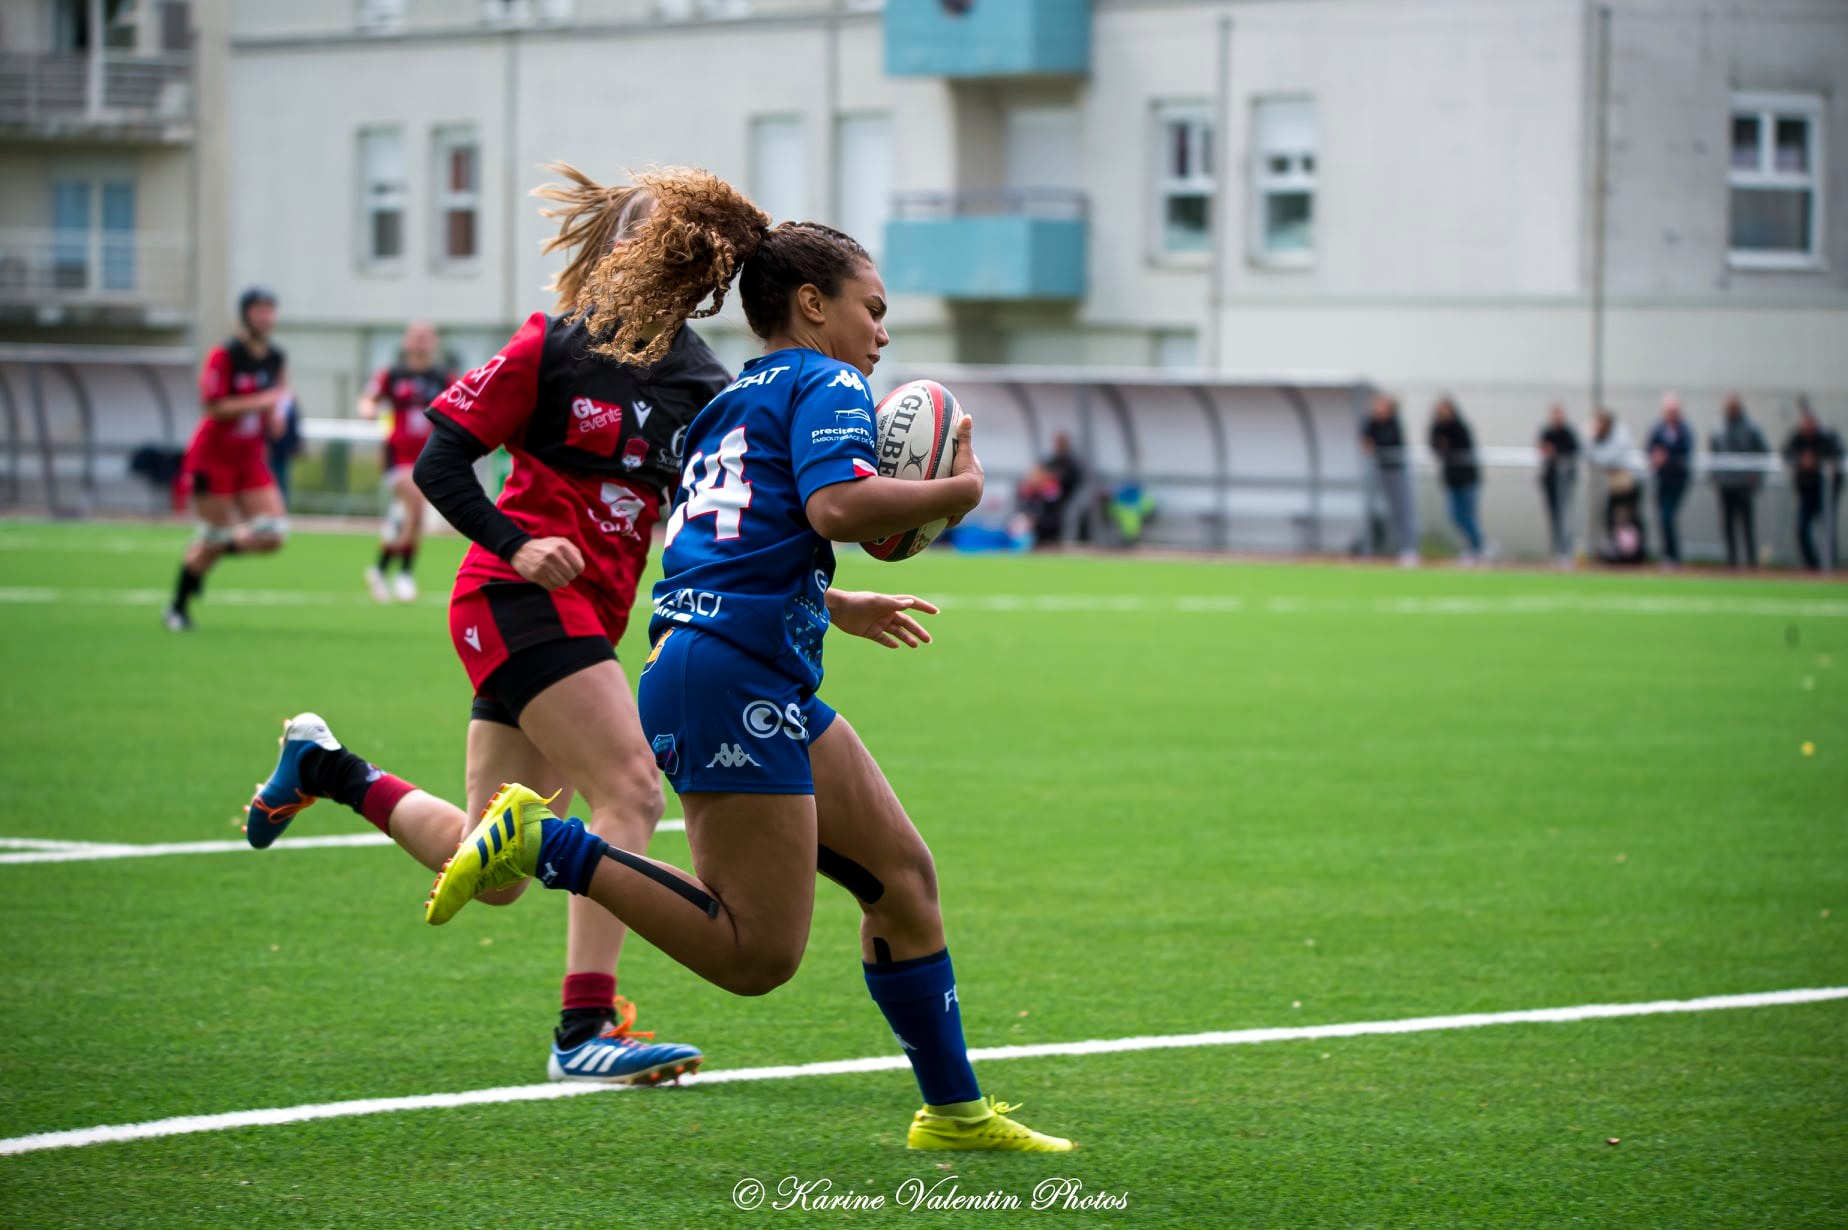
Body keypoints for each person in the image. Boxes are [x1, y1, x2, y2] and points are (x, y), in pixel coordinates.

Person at [420, 170, 1075, 1151]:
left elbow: (735, 536)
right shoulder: (824, 381)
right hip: (723, 671)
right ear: (812, 304)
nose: (882, 333)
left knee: (903, 876)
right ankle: (549, 848)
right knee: (755, 955)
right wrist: (960, 494)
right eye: (873, 309)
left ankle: (955, 1114)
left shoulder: (725, 397)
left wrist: (831, 602)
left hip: (732, 660)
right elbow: (837, 508)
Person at [246, 165, 730, 1085]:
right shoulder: (553, 348)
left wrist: (821, 595)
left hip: (583, 622)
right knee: (632, 791)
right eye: (648, 240)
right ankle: (584, 1028)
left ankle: (327, 769)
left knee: (498, 874)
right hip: (514, 597)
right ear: (618, 251)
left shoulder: (704, 383)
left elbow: (714, 523)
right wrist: (519, 544)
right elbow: (439, 463)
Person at [165, 286, 291, 632]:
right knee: (217, 535)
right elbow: (214, 406)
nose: (265, 317)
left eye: (270, 310)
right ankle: (177, 607)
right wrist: (261, 402)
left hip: (249, 458)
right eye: (259, 310)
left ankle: (210, 547)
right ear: (245, 315)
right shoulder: (225, 355)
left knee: (272, 534)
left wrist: (276, 417)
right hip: (212, 458)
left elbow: (279, 396)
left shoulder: (276, 357)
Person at [358, 322, 457, 602]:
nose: (421, 341)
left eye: (426, 337)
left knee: (407, 517)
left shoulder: (443, 377)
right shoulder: (392, 374)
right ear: (406, 342)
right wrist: (368, 410)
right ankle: (404, 574)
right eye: (416, 336)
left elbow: (464, 403)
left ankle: (381, 568)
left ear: (435, 342)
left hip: (428, 457)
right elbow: (367, 398)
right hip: (397, 456)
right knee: (415, 507)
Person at [1709, 394, 1769, 569]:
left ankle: (1751, 562)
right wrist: (1715, 478)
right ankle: (1731, 562)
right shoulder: (1719, 428)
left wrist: (1755, 477)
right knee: (1728, 526)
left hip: (1744, 485)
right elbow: (1713, 454)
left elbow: (1763, 452)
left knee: (1747, 525)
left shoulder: (1751, 428)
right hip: (1726, 485)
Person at [1783, 400, 1845, 570]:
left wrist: (1816, 460)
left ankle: (1830, 565)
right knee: (1802, 529)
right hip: (1806, 491)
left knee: (1828, 529)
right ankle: (1812, 566)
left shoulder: (1828, 436)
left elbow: (1837, 454)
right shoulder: (1798, 437)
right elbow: (1786, 453)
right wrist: (1801, 460)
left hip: (1827, 492)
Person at [1360, 393, 1417, 565]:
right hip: (1382, 471)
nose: (1378, 409)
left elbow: (1389, 441)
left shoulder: (1394, 422)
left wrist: (1375, 444)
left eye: (1382, 405)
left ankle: (1410, 548)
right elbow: (1365, 443)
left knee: (1404, 511)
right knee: (1390, 512)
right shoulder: (1371, 423)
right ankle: (1385, 547)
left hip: (1397, 471)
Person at [1428, 396, 1483, 564]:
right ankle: (1474, 546)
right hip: (1451, 479)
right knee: (1454, 516)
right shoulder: (1437, 427)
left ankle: (1478, 546)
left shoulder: (1460, 426)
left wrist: (1448, 445)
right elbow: (1435, 446)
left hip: (1467, 478)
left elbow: (1464, 447)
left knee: (1468, 515)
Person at [1587, 408, 1643, 559]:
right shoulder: (1605, 436)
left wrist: (1593, 441)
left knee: (1630, 518)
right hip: (1617, 484)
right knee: (1611, 517)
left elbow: (1607, 459)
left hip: (1630, 481)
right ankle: (1620, 549)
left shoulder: (1620, 434)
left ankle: (1635, 552)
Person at [1646, 393, 1693, 566]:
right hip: (1662, 480)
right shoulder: (1658, 429)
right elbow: (1650, 448)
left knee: (1668, 515)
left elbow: (1686, 452)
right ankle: (1668, 554)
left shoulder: (1684, 430)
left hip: (1678, 480)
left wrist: (1667, 458)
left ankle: (1673, 555)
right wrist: (1655, 457)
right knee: (1663, 517)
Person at [1536, 404, 1579, 564]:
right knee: (1554, 517)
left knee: (1565, 516)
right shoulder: (1547, 432)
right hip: (1550, 481)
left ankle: (1567, 550)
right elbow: (1542, 449)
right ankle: (1557, 549)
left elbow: (1573, 451)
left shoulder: (1568, 433)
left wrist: (1556, 451)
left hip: (1565, 482)